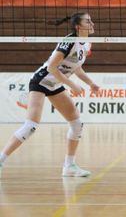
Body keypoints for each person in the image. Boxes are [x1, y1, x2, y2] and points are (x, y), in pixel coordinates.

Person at [0, 13, 99, 179]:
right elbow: (52, 67)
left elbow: (76, 67)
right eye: (87, 21)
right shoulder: (68, 42)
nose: (92, 24)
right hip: (41, 81)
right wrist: (72, 85)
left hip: (55, 85)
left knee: (77, 124)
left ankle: (69, 166)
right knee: (31, 126)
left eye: (91, 21)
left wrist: (91, 83)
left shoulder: (86, 44)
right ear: (78, 27)